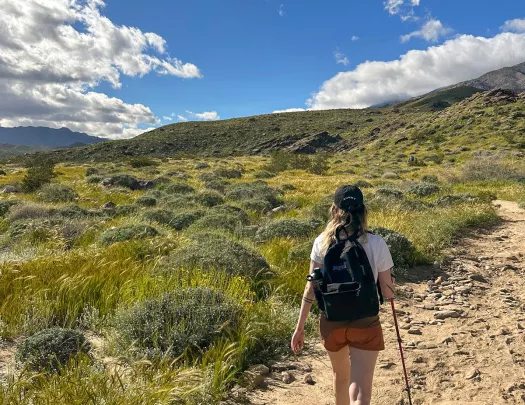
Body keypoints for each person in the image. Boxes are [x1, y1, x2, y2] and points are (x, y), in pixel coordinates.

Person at [291, 185, 396, 405]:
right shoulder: (377, 243)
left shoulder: (321, 243)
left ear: (334, 210)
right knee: (360, 390)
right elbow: (388, 291)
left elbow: (310, 287)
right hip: (365, 320)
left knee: (341, 377)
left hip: (332, 321)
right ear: (363, 210)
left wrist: (299, 327)